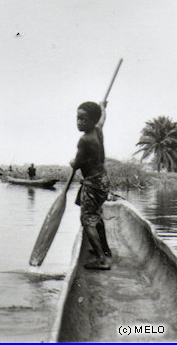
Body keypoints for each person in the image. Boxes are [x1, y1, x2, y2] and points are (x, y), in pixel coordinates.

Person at [70, 100, 112, 270]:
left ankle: (101, 260)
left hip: (92, 184)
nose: (80, 122)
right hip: (103, 180)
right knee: (96, 215)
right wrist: (102, 108)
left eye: (84, 119)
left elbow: (77, 163)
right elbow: (102, 118)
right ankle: (105, 250)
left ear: (92, 121)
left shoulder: (85, 140)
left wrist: (72, 162)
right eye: (78, 118)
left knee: (87, 220)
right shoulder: (98, 130)